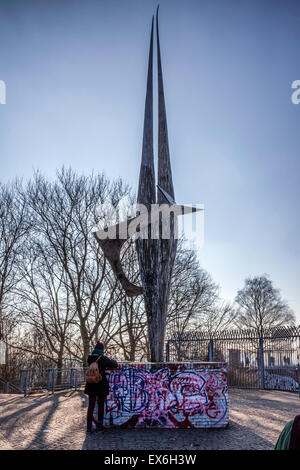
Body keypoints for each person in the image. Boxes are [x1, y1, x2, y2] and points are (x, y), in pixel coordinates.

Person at [84, 341, 118, 433]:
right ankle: (99, 425)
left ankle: (89, 427)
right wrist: (111, 361)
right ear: (102, 350)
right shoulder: (103, 359)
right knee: (100, 405)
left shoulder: (90, 358)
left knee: (90, 406)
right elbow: (115, 364)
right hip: (100, 385)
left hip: (91, 384)